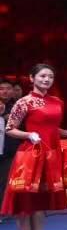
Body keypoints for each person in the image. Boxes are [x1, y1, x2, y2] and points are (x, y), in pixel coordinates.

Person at [4, 63, 67, 230]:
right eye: (42, 76)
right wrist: (28, 135)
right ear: (32, 78)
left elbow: (52, 128)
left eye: (50, 76)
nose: (46, 79)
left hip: (51, 154)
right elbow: (10, 129)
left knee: (41, 200)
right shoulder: (24, 102)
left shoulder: (57, 101)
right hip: (30, 154)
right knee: (25, 200)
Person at [0, 81, 20, 211]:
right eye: (1, 89)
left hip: (9, 152)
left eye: (8, 88)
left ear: (13, 91)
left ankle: (2, 210)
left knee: (4, 182)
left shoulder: (17, 108)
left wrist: (8, 117)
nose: (5, 91)